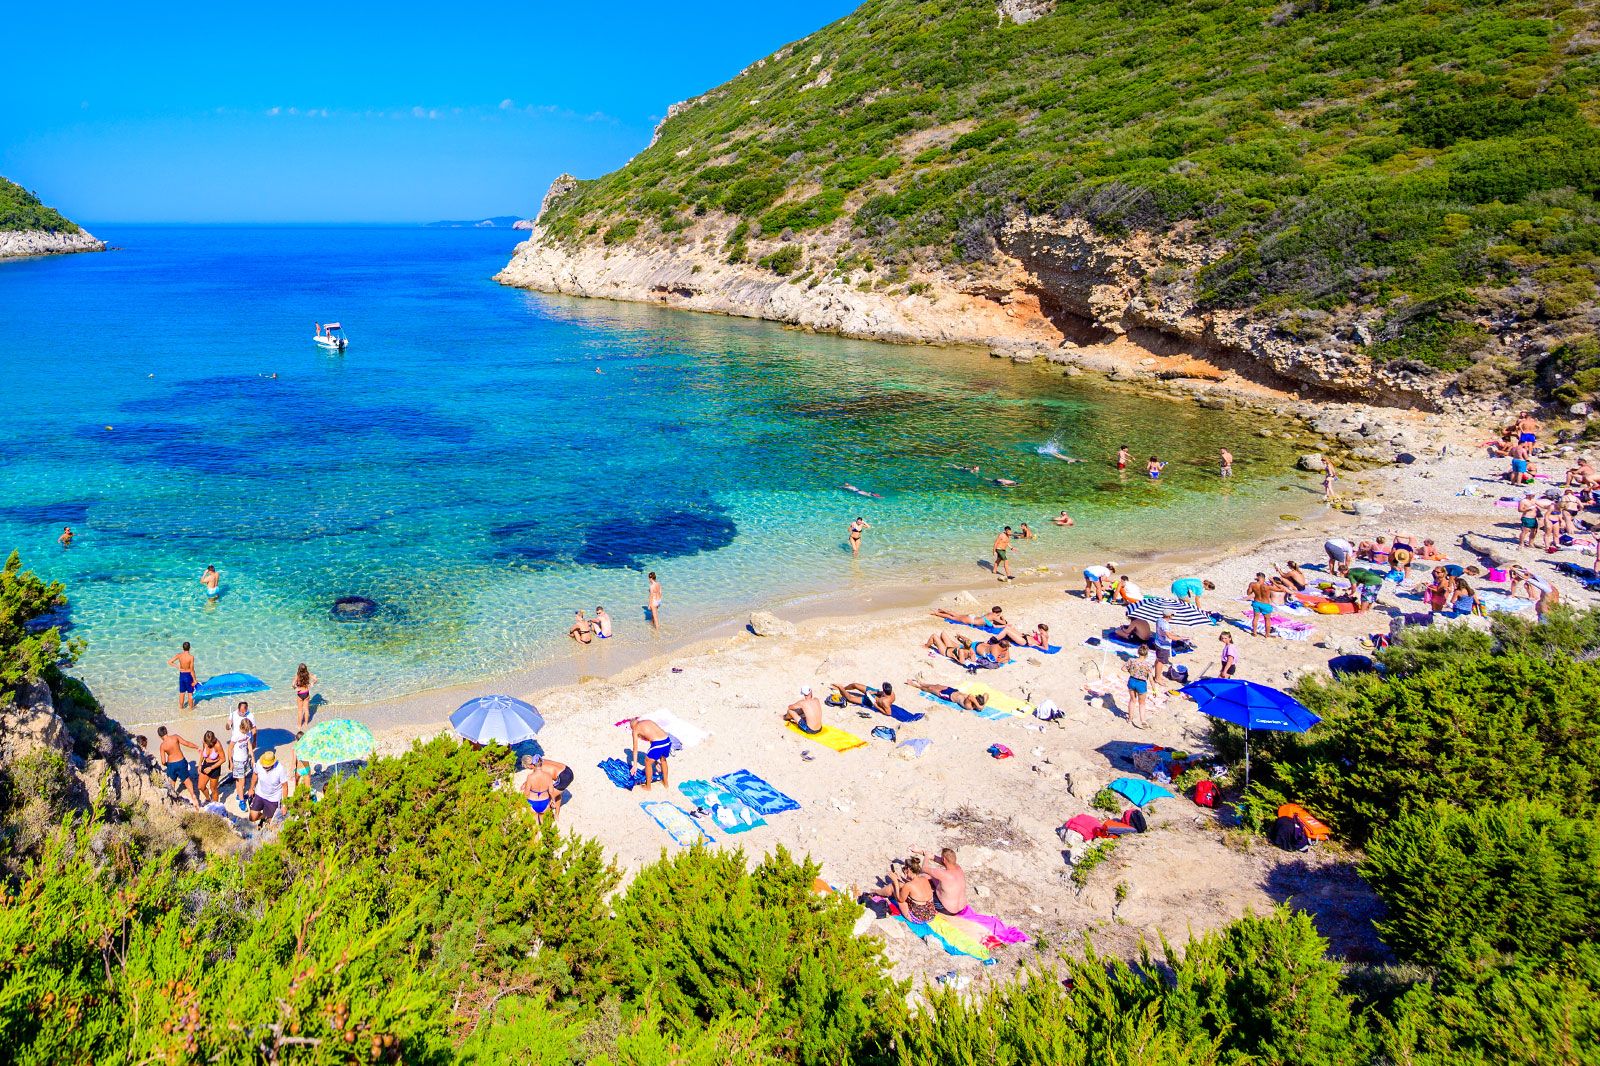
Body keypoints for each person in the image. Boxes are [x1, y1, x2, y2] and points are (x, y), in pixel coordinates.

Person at [912, 846, 969, 913]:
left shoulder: (942, 873)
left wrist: (926, 856)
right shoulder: (958, 867)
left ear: (944, 859)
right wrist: (920, 851)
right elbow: (939, 859)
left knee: (924, 876)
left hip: (946, 909)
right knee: (935, 879)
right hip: (962, 908)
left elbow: (924, 868)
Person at [157, 726, 202, 809]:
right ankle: (193, 796)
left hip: (171, 764)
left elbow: (163, 761)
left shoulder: (162, 746)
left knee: (172, 782)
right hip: (181, 761)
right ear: (167, 731)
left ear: (159, 736)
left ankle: (173, 800)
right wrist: (197, 747)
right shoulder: (175, 737)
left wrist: (168, 765)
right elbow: (187, 743)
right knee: (187, 780)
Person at [887, 856, 938, 923]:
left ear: (908, 869)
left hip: (919, 919)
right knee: (904, 889)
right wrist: (900, 879)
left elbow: (900, 899)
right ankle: (876, 891)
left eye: (904, 868)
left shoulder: (908, 885)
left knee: (896, 891)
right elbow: (914, 886)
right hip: (931, 915)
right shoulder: (924, 879)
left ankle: (876, 892)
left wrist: (895, 881)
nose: (903, 870)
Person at [248, 750, 289, 827]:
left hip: (273, 798)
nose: (265, 767)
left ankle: (268, 817)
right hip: (260, 793)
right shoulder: (259, 764)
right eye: (264, 766)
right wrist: (251, 788)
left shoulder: (280, 769)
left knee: (273, 823)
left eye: (267, 766)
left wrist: (284, 805)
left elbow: (285, 787)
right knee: (252, 817)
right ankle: (264, 816)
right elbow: (255, 775)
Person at [630, 718, 673, 791]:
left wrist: (635, 765)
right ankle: (666, 783)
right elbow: (652, 739)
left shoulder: (635, 729)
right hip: (667, 740)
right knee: (663, 760)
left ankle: (648, 787)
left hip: (658, 744)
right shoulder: (648, 722)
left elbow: (635, 748)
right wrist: (656, 762)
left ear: (632, 726)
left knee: (647, 762)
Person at [227, 716, 256, 812]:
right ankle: (242, 801)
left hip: (245, 759)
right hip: (237, 761)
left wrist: (252, 758)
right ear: (242, 728)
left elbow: (249, 745)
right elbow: (229, 749)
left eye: (248, 731)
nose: (246, 733)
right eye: (245, 731)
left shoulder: (247, 734)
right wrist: (230, 762)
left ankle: (239, 796)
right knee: (242, 782)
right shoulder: (236, 735)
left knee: (239, 781)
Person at [905, 679, 988, 712]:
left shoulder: (969, 706)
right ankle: (922, 683)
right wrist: (982, 705)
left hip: (948, 696)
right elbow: (986, 694)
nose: (975, 697)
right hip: (953, 690)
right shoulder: (975, 702)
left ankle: (915, 685)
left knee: (930, 689)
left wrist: (978, 706)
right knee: (937, 684)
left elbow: (970, 696)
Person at [1124, 646, 1153, 729]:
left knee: (1132, 700)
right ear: (1147, 654)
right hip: (1141, 684)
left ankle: (1130, 719)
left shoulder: (1131, 660)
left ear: (1138, 652)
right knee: (1142, 703)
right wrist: (1154, 690)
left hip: (1132, 681)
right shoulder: (1148, 665)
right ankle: (1143, 720)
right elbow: (1151, 679)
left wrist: (1130, 671)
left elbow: (1123, 669)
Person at [830, 681, 896, 715]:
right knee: (855, 685)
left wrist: (876, 705)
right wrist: (874, 692)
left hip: (871, 701)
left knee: (850, 698)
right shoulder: (891, 692)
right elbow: (882, 693)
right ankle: (843, 688)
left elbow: (888, 713)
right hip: (873, 695)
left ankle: (840, 688)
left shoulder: (885, 702)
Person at [196, 730, 225, 804]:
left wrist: (211, 768)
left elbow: (223, 759)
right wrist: (200, 764)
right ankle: (208, 799)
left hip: (215, 767)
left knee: (213, 789)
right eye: (207, 743)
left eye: (210, 743)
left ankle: (215, 805)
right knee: (201, 786)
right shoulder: (204, 742)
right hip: (205, 764)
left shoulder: (217, 745)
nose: (209, 745)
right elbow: (203, 753)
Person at [167, 641, 196, 711]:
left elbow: (169, 662)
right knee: (190, 693)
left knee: (182, 692)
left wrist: (178, 667)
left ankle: (181, 707)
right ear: (190, 648)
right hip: (188, 675)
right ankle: (191, 708)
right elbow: (192, 670)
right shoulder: (191, 657)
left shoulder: (179, 655)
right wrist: (195, 680)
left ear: (182, 648)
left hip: (182, 675)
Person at [1247, 573, 1277, 638]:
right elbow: (1279, 589)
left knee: (1256, 618)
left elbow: (1248, 593)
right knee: (1267, 619)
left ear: (1257, 577)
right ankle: (1267, 634)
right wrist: (1273, 582)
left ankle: (1254, 633)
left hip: (1256, 603)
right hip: (1265, 604)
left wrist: (1250, 586)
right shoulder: (1267, 586)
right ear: (1263, 578)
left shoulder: (1252, 584)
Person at [293, 663, 317, 728]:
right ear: (306, 669)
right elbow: (315, 679)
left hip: (300, 694)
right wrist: (312, 684)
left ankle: (299, 725)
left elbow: (293, 684)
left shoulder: (297, 675)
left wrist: (296, 688)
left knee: (300, 710)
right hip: (306, 693)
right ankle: (306, 724)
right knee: (306, 709)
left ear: (299, 669)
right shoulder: (308, 674)